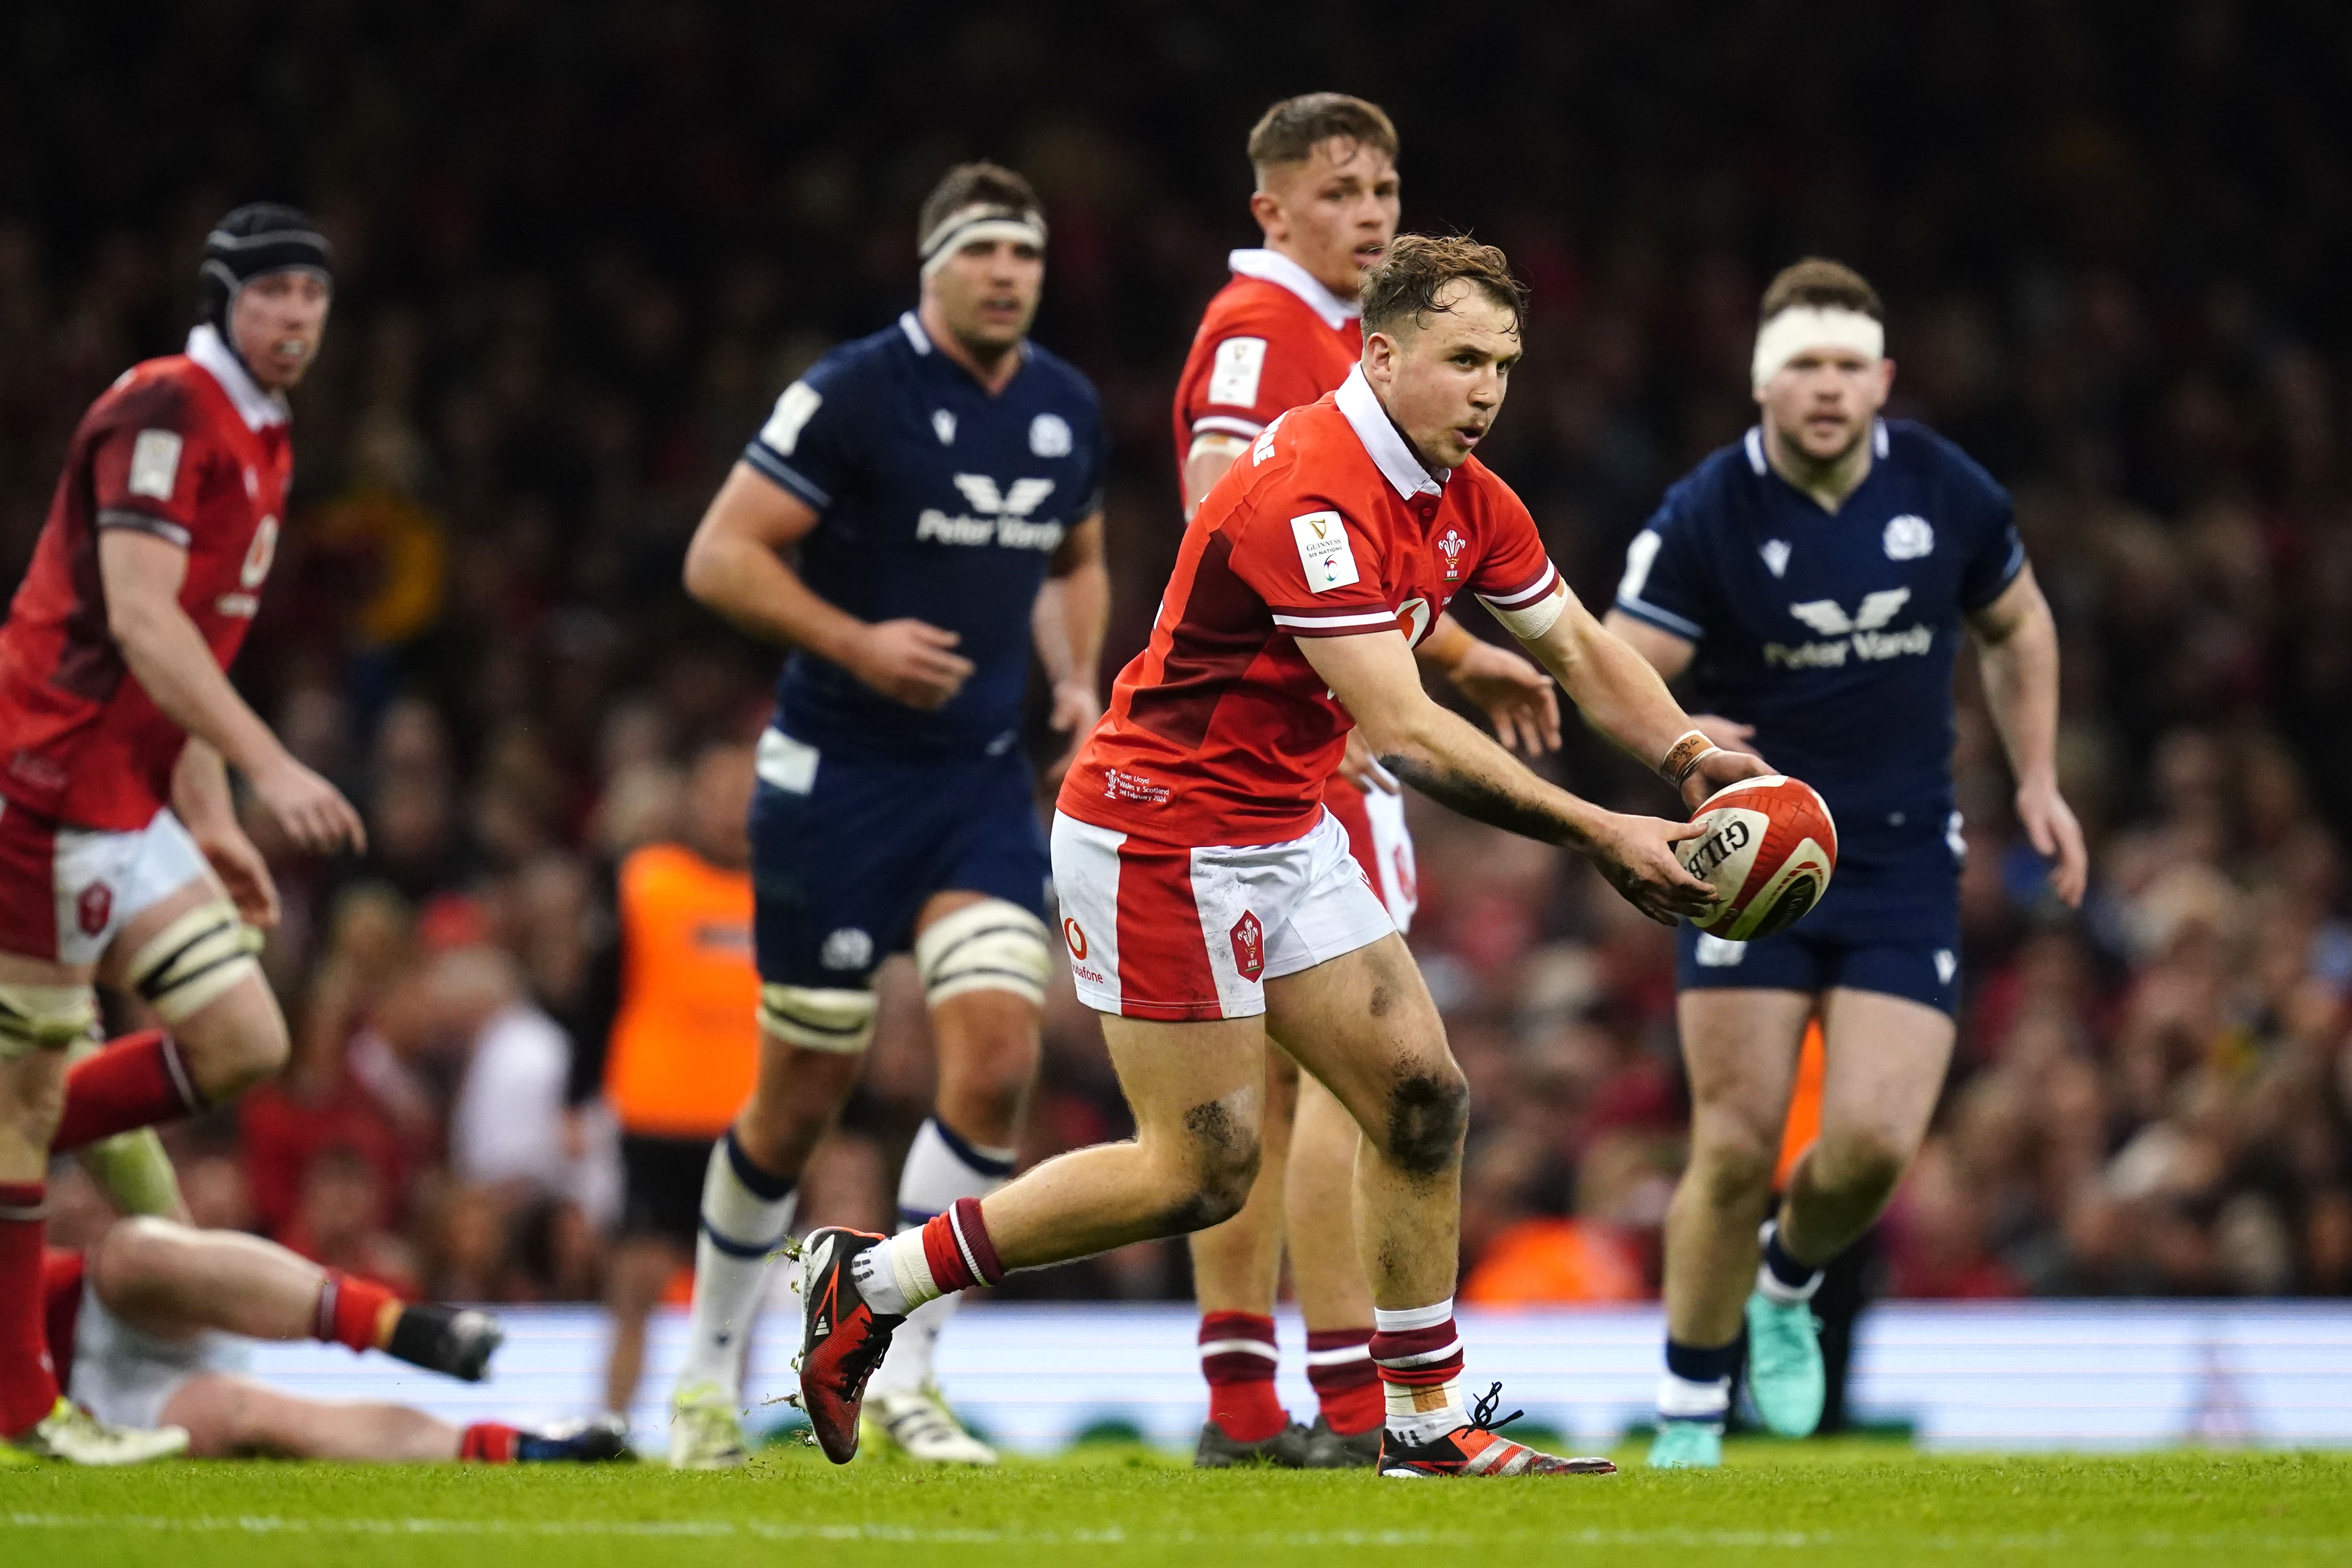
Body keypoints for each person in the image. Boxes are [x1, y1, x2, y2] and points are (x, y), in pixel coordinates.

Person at [796, 234, 1772, 1480]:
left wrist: (1689, 761)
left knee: (1422, 1099)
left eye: (1505, 364)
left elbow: (1579, 649)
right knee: (1196, 1173)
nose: (1488, 389)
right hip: (1161, 826)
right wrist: (1599, 830)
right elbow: (1409, 730)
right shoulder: (1306, 488)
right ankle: (871, 1279)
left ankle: (1424, 1423)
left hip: (1281, 823)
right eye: (1461, 358)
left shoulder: (1465, 493)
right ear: (1379, 353)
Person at [1601, 257, 2087, 1468]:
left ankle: (1785, 1279)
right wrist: (1684, 737)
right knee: (1733, 1139)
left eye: (1843, 366)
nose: (1823, 388)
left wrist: (2034, 776)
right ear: (1763, 382)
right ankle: (1687, 1417)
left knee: (1870, 1141)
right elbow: (1614, 657)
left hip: (1902, 856)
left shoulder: (1945, 489)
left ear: (1880, 378)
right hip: (1754, 858)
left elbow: (2016, 621)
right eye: (1800, 366)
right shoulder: (1707, 508)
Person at [669, 162, 1109, 1468]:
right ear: (931, 266)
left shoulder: (1063, 404)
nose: (1007, 274)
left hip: (973, 779)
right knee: (801, 1086)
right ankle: (705, 1375)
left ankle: (905, 1364)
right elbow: (720, 554)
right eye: (982, 251)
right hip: (835, 776)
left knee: (994, 1054)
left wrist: (1076, 673)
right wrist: (853, 642)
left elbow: (1072, 557)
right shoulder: (853, 389)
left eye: (1024, 254)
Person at [1170, 93, 1562, 1470]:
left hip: (1285, 731)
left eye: (1386, 186)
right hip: (1303, 750)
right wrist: (1401, 676)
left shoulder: (1346, 341)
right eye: (1338, 191)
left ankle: (1245, 1398)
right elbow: (1226, 496)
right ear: (1269, 211)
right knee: (1361, 1086)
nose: (1373, 212)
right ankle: (1352, 1400)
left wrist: (1452, 646)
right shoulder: (1264, 328)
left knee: (1263, 1106)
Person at [0, 203, 367, 1463]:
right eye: (273, 296)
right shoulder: (162, 408)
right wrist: (268, 767)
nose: (297, 320)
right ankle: (24, 1416)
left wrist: (210, 815)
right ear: (223, 301)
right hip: (41, 776)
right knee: (32, 1080)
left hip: (126, 789)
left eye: (313, 299)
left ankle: (20, 1128)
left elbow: (192, 651)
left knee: (240, 1036)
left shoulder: (264, 432)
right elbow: (146, 627)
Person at [38, 1215, 628, 1463]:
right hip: (73, 1406)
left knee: (132, 1255)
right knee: (239, 1414)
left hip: (82, 1309)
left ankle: (398, 1325)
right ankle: (515, 1448)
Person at [578, 740, 760, 1419]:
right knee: (635, 1285)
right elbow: (598, 997)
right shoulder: (646, 883)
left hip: (749, 1122)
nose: (730, 808)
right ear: (690, 799)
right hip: (654, 1119)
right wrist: (578, 1096)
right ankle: (613, 1420)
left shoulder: (788, 890)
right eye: (717, 792)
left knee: (737, 1290)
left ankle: (724, 1427)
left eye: (745, 792)